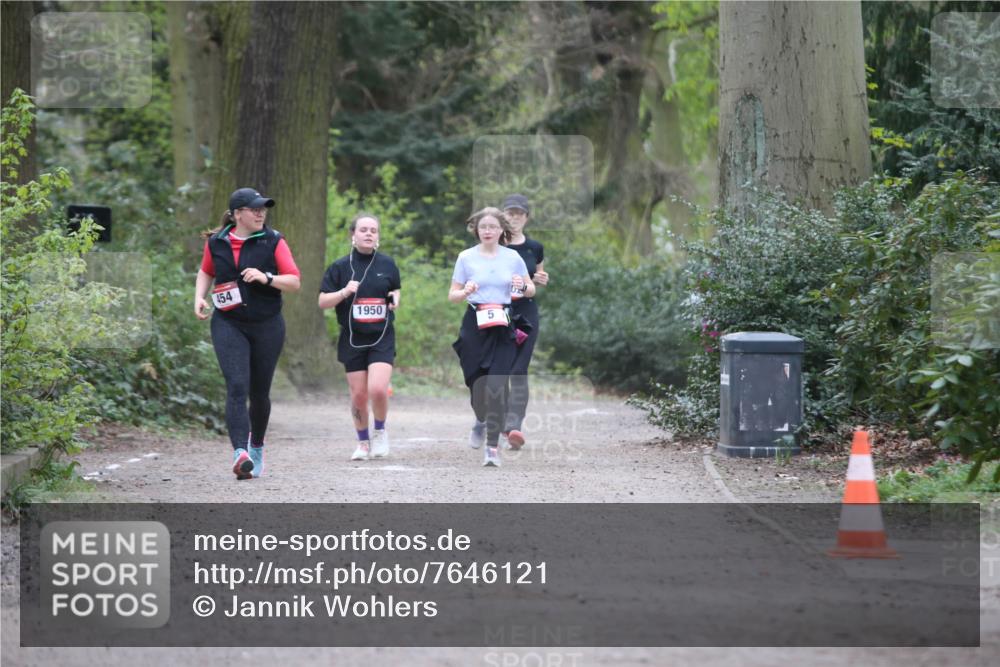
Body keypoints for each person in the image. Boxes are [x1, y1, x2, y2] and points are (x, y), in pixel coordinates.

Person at [194, 187, 301, 480]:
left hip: (267, 324)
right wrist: (199, 297)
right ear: (237, 214)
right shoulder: (217, 242)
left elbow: (294, 281)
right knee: (237, 386)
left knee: (259, 392)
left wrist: (266, 277)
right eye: (254, 209)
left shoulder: (273, 240)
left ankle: (256, 446)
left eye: (263, 209)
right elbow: (206, 271)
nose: (260, 213)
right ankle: (239, 453)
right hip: (228, 322)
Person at [449, 207, 534, 467]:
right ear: (476, 230)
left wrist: (522, 286)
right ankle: (481, 420)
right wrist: (465, 291)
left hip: (503, 325)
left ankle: (492, 448)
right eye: (483, 227)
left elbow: (530, 289)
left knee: (497, 387)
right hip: (474, 324)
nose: (487, 230)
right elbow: (452, 295)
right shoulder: (466, 257)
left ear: (501, 230)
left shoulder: (513, 258)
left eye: (492, 227)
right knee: (478, 389)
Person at [319, 213, 401, 461]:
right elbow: (322, 301)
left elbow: (394, 289)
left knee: (377, 389)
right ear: (353, 235)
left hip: (381, 337)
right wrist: (344, 292)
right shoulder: (339, 267)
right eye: (363, 229)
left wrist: (395, 298)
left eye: (373, 231)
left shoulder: (387, 264)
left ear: (378, 236)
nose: (368, 234)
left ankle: (380, 432)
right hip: (352, 338)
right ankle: (363, 442)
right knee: (358, 395)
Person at [496, 193, 549, 449]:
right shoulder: (493, 245)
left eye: (519, 214)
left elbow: (538, 275)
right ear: (502, 216)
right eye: (510, 213)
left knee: (518, 369)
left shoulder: (534, 247)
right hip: (497, 313)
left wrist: (540, 279)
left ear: (526, 218)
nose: (514, 218)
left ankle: (513, 426)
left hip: (526, 314)